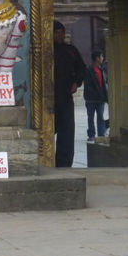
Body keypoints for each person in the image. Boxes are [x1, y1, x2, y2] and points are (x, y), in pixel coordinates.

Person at [53, 20, 85, 167]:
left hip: (65, 97)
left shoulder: (70, 50)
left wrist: (76, 82)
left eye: (62, 32)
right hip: (48, 98)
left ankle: (64, 162)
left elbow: (81, 68)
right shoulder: (45, 51)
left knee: (66, 132)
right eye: (57, 33)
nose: (61, 36)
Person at [83, 50, 108, 141]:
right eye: (101, 56)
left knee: (100, 117)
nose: (102, 58)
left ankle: (101, 134)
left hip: (100, 99)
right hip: (91, 99)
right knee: (91, 117)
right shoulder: (88, 70)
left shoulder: (101, 70)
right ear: (97, 58)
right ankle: (91, 134)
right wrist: (97, 95)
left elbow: (103, 85)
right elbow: (89, 86)